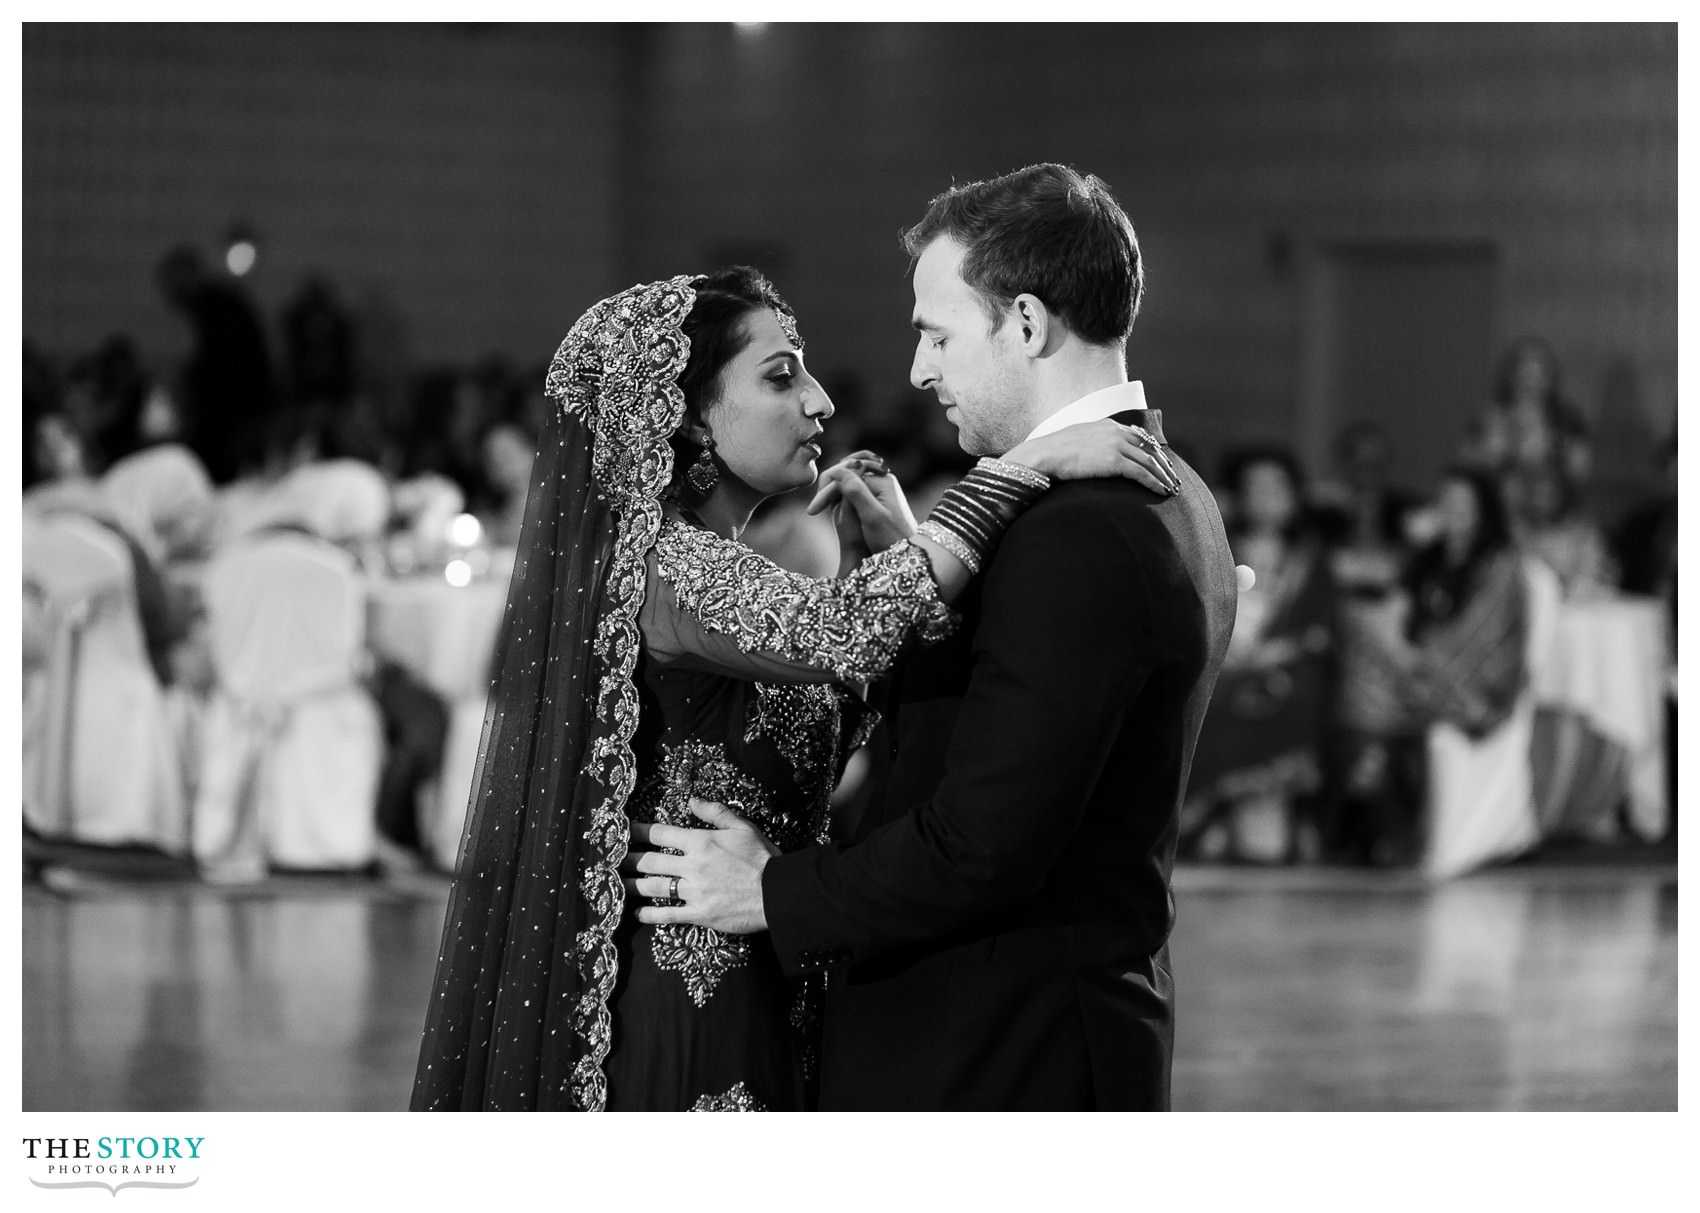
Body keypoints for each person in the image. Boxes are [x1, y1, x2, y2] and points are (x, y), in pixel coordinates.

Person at [409, 265, 1177, 1112]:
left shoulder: (730, 574)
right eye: (780, 377)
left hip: (778, 968)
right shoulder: (658, 565)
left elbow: (849, 694)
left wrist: (886, 555)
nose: (819, 402)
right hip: (685, 999)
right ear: (689, 418)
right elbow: (846, 633)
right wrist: (1020, 469)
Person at [628, 164, 1237, 1110]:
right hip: (945, 1015)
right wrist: (929, 553)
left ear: (1027, 325)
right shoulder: (1167, 492)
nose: (915, 370)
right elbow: (982, 707)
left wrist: (773, 894)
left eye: (937, 334)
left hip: (998, 1048)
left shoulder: (1082, 524)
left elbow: (984, 840)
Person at [1183, 446, 1336, 864]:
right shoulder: (1214, 545)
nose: (1267, 497)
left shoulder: (1309, 557)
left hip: (1282, 668)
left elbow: (1318, 629)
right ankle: (1206, 815)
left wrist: (1271, 653)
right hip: (1222, 663)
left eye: (1277, 487)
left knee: (1290, 691)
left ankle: (1265, 810)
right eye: (1258, 488)